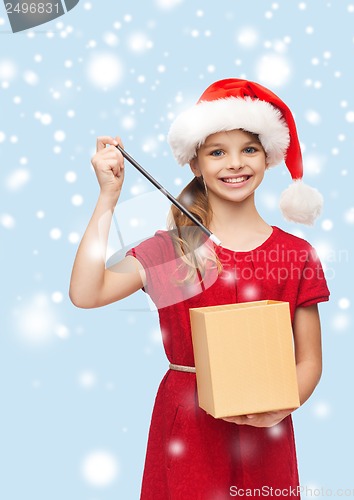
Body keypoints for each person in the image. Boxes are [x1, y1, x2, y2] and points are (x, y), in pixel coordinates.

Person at [69, 78, 330, 499]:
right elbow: (86, 292)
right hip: (188, 427)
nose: (235, 164)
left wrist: (281, 406)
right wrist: (107, 198)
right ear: (195, 164)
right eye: (216, 152)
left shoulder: (295, 253)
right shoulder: (173, 251)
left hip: (268, 428)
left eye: (248, 149)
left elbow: (310, 360)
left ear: (267, 158)